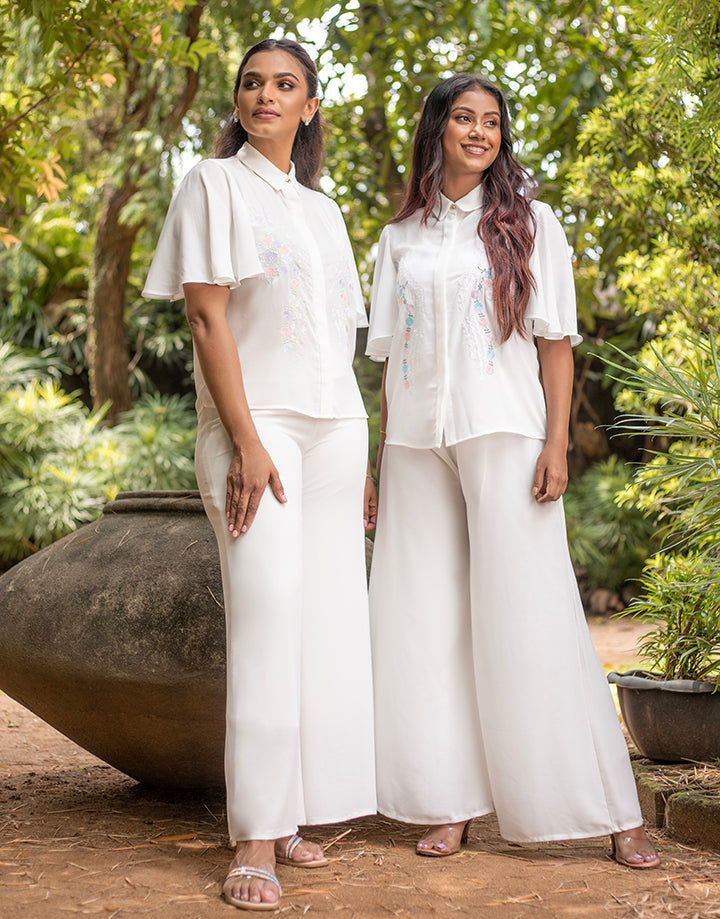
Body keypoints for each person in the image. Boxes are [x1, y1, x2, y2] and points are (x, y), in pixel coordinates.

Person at [366, 73, 659, 870]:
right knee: (427, 622)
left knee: (532, 613)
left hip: (508, 434)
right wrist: (381, 462)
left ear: (502, 136)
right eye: (462, 118)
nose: (477, 132)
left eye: (490, 122)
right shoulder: (401, 237)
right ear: (437, 130)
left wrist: (555, 443)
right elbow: (389, 364)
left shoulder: (532, 224)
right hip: (416, 446)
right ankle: (450, 802)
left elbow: (556, 347)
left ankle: (610, 809)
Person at [143, 38, 377, 911]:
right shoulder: (211, 185)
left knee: (321, 622)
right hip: (258, 429)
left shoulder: (326, 214)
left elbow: (340, 345)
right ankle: (252, 841)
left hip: (334, 430)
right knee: (269, 613)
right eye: (252, 83)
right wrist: (244, 440)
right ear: (238, 101)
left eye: (285, 85)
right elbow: (208, 321)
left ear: (310, 107)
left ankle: (291, 814)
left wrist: (361, 453)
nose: (266, 95)